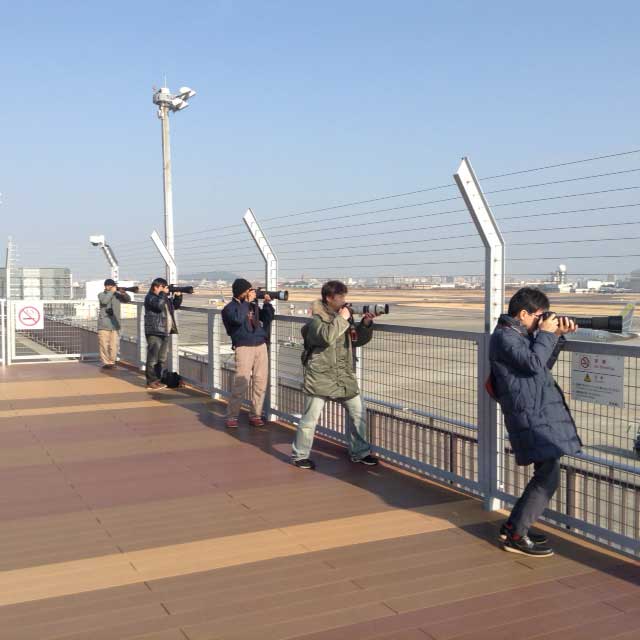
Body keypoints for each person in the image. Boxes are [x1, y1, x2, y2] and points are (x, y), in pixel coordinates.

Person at [490, 287, 581, 557]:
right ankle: (517, 534)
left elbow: (541, 366)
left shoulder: (519, 334)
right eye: (540, 316)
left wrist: (557, 337)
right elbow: (532, 363)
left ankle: (513, 527)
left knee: (546, 471)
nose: (544, 321)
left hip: (536, 412)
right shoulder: (505, 337)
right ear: (523, 314)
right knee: (548, 476)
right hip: (529, 414)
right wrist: (545, 334)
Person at [291, 280, 379, 469]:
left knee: (358, 412)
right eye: (340, 297)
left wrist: (366, 322)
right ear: (329, 298)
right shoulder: (317, 319)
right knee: (310, 419)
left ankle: (360, 452)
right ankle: (300, 455)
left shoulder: (343, 317)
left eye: (344, 296)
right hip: (320, 376)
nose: (344, 300)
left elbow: (357, 340)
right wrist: (343, 318)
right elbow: (326, 337)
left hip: (343, 376)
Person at [221, 279, 274, 428]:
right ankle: (232, 416)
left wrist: (268, 304)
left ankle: (255, 414)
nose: (252, 293)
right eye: (249, 290)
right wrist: (246, 303)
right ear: (241, 292)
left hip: (260, 345)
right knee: (241, 383)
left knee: (260, 382)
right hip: (244, 346)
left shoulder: (252, 305)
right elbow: (237, 319)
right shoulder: (229, 308)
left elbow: (267, 318)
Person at [144, 277, 182, 390]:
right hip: (154, 331)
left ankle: (157, 380)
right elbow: (159, 306)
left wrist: (178, 296)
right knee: (153, 358)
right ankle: (151, 381)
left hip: (165, 331)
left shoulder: (162, 297)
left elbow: (174, 306)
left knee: (161, 358)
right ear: (156, 287)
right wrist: (163, 294)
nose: (166, 289)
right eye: (163, 287)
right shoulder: (150, 297)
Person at [97, 278, 131, 369]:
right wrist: (111, 292)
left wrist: (123, 293)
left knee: (114, 345)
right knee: (103, 345)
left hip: (115, 325)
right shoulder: (101, 294)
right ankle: (105, 362)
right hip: (104, 324)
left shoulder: (117, 295)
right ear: (106, 286)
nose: (113, 288)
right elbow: (104, 301)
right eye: (111, 286)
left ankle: (112, 362)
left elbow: (127, 300)